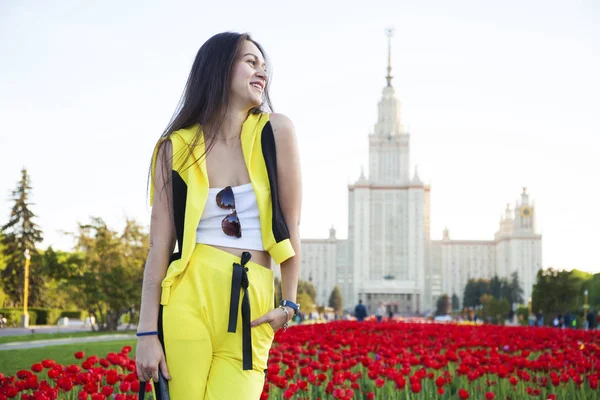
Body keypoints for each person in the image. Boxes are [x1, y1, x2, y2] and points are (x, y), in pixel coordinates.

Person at [135, 32, 302, 400]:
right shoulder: (173, 147)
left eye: (264, 65)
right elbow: (159, 247)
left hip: (251, 303)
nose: (262, 72)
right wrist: (147, 332)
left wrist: (288, 305)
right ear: (219, 69)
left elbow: (291, 226)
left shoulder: (277, 131)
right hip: (187, 294)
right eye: (250, 62)